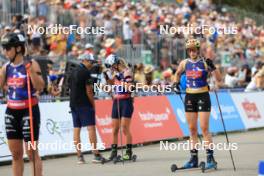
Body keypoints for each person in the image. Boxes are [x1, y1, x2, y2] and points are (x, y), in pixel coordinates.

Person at [0, 32, 45, 176]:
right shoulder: (6, 67)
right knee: (16, 154)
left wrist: (31, 71)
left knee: (31, 153)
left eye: (7, 48)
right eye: (3, 48)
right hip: (12, 112)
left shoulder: (31, 64)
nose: (5, 51)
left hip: (29, 111)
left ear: (18, 48)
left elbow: (40, 87)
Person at [174, 38, 221, 169]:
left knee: (204, 128)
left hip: (203, 95)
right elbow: (177, 74)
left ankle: (210, 159)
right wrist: (175, 84)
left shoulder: (205, 63)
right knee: (192, 129)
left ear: (198, 50)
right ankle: (193, 159)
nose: (192, 52)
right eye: (189, 50)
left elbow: (219, 78)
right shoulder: (184, 63)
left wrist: (213, 67)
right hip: (189, 96)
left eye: (194, 49)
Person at [69, 53, 105, 164]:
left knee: (76, 129)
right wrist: (93, 104)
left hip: (73, 103)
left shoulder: (73, 71)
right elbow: (89, 91)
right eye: (91, 62)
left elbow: (69, 87)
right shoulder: (85, 72)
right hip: (84, 103)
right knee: (91, 128)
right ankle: (96, 154)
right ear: (86, 61)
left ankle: (79, 156)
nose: (91, 65)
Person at [103, 54, 134, 161]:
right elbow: (111, 83)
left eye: (112, 66)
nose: (111, 69)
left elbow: (130, 87)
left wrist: (120, 80)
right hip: (116, 102)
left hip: (126, 102)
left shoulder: (127, 71)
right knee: (114, 129)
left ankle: (128, 152)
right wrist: (106, 76)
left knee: (125, 129)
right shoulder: (117, 74)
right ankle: (114, 152)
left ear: (116, 64)